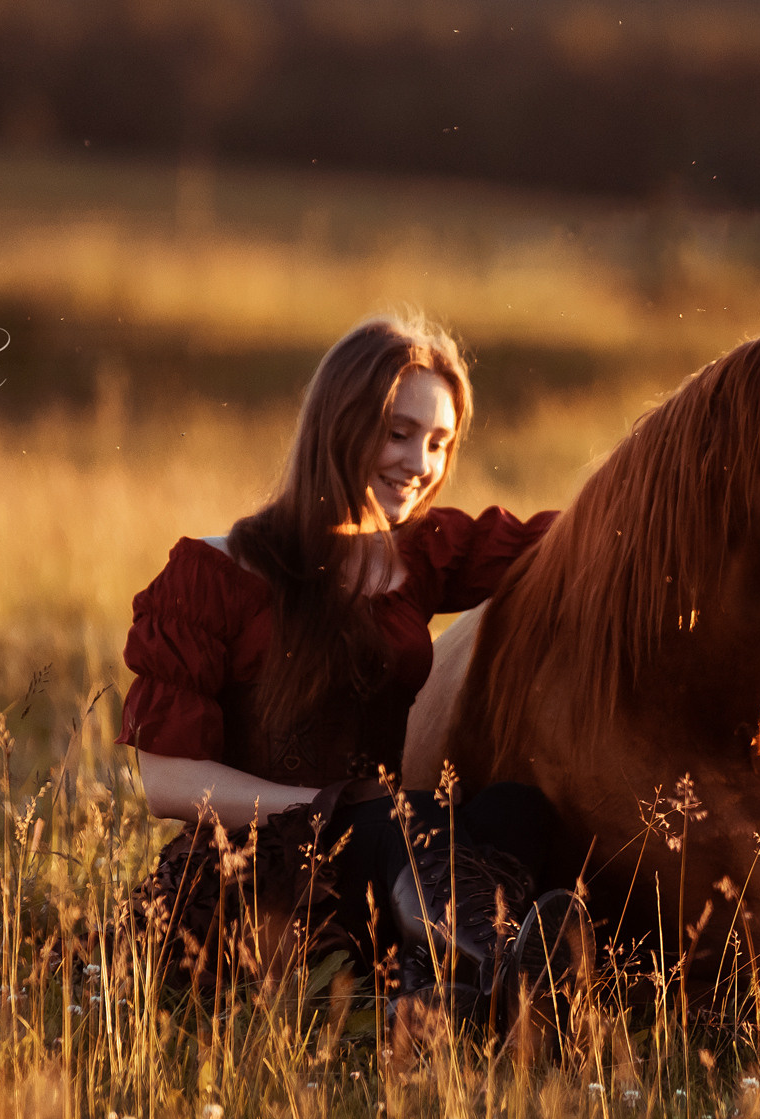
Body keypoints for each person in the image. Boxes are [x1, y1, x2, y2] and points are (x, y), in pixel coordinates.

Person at [116, 315, 586, 1020]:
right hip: (255, 873)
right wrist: (327, 810)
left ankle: (434, 992)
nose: (419, 463)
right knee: (402, 815)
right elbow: (166, 780)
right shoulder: (211, 574)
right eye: (398, 433)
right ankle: (493, 975)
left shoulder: (422, 555)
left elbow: (578, 537)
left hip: (381, 866)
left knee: (517, 810)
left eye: (438, 442)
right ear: (338, 423)